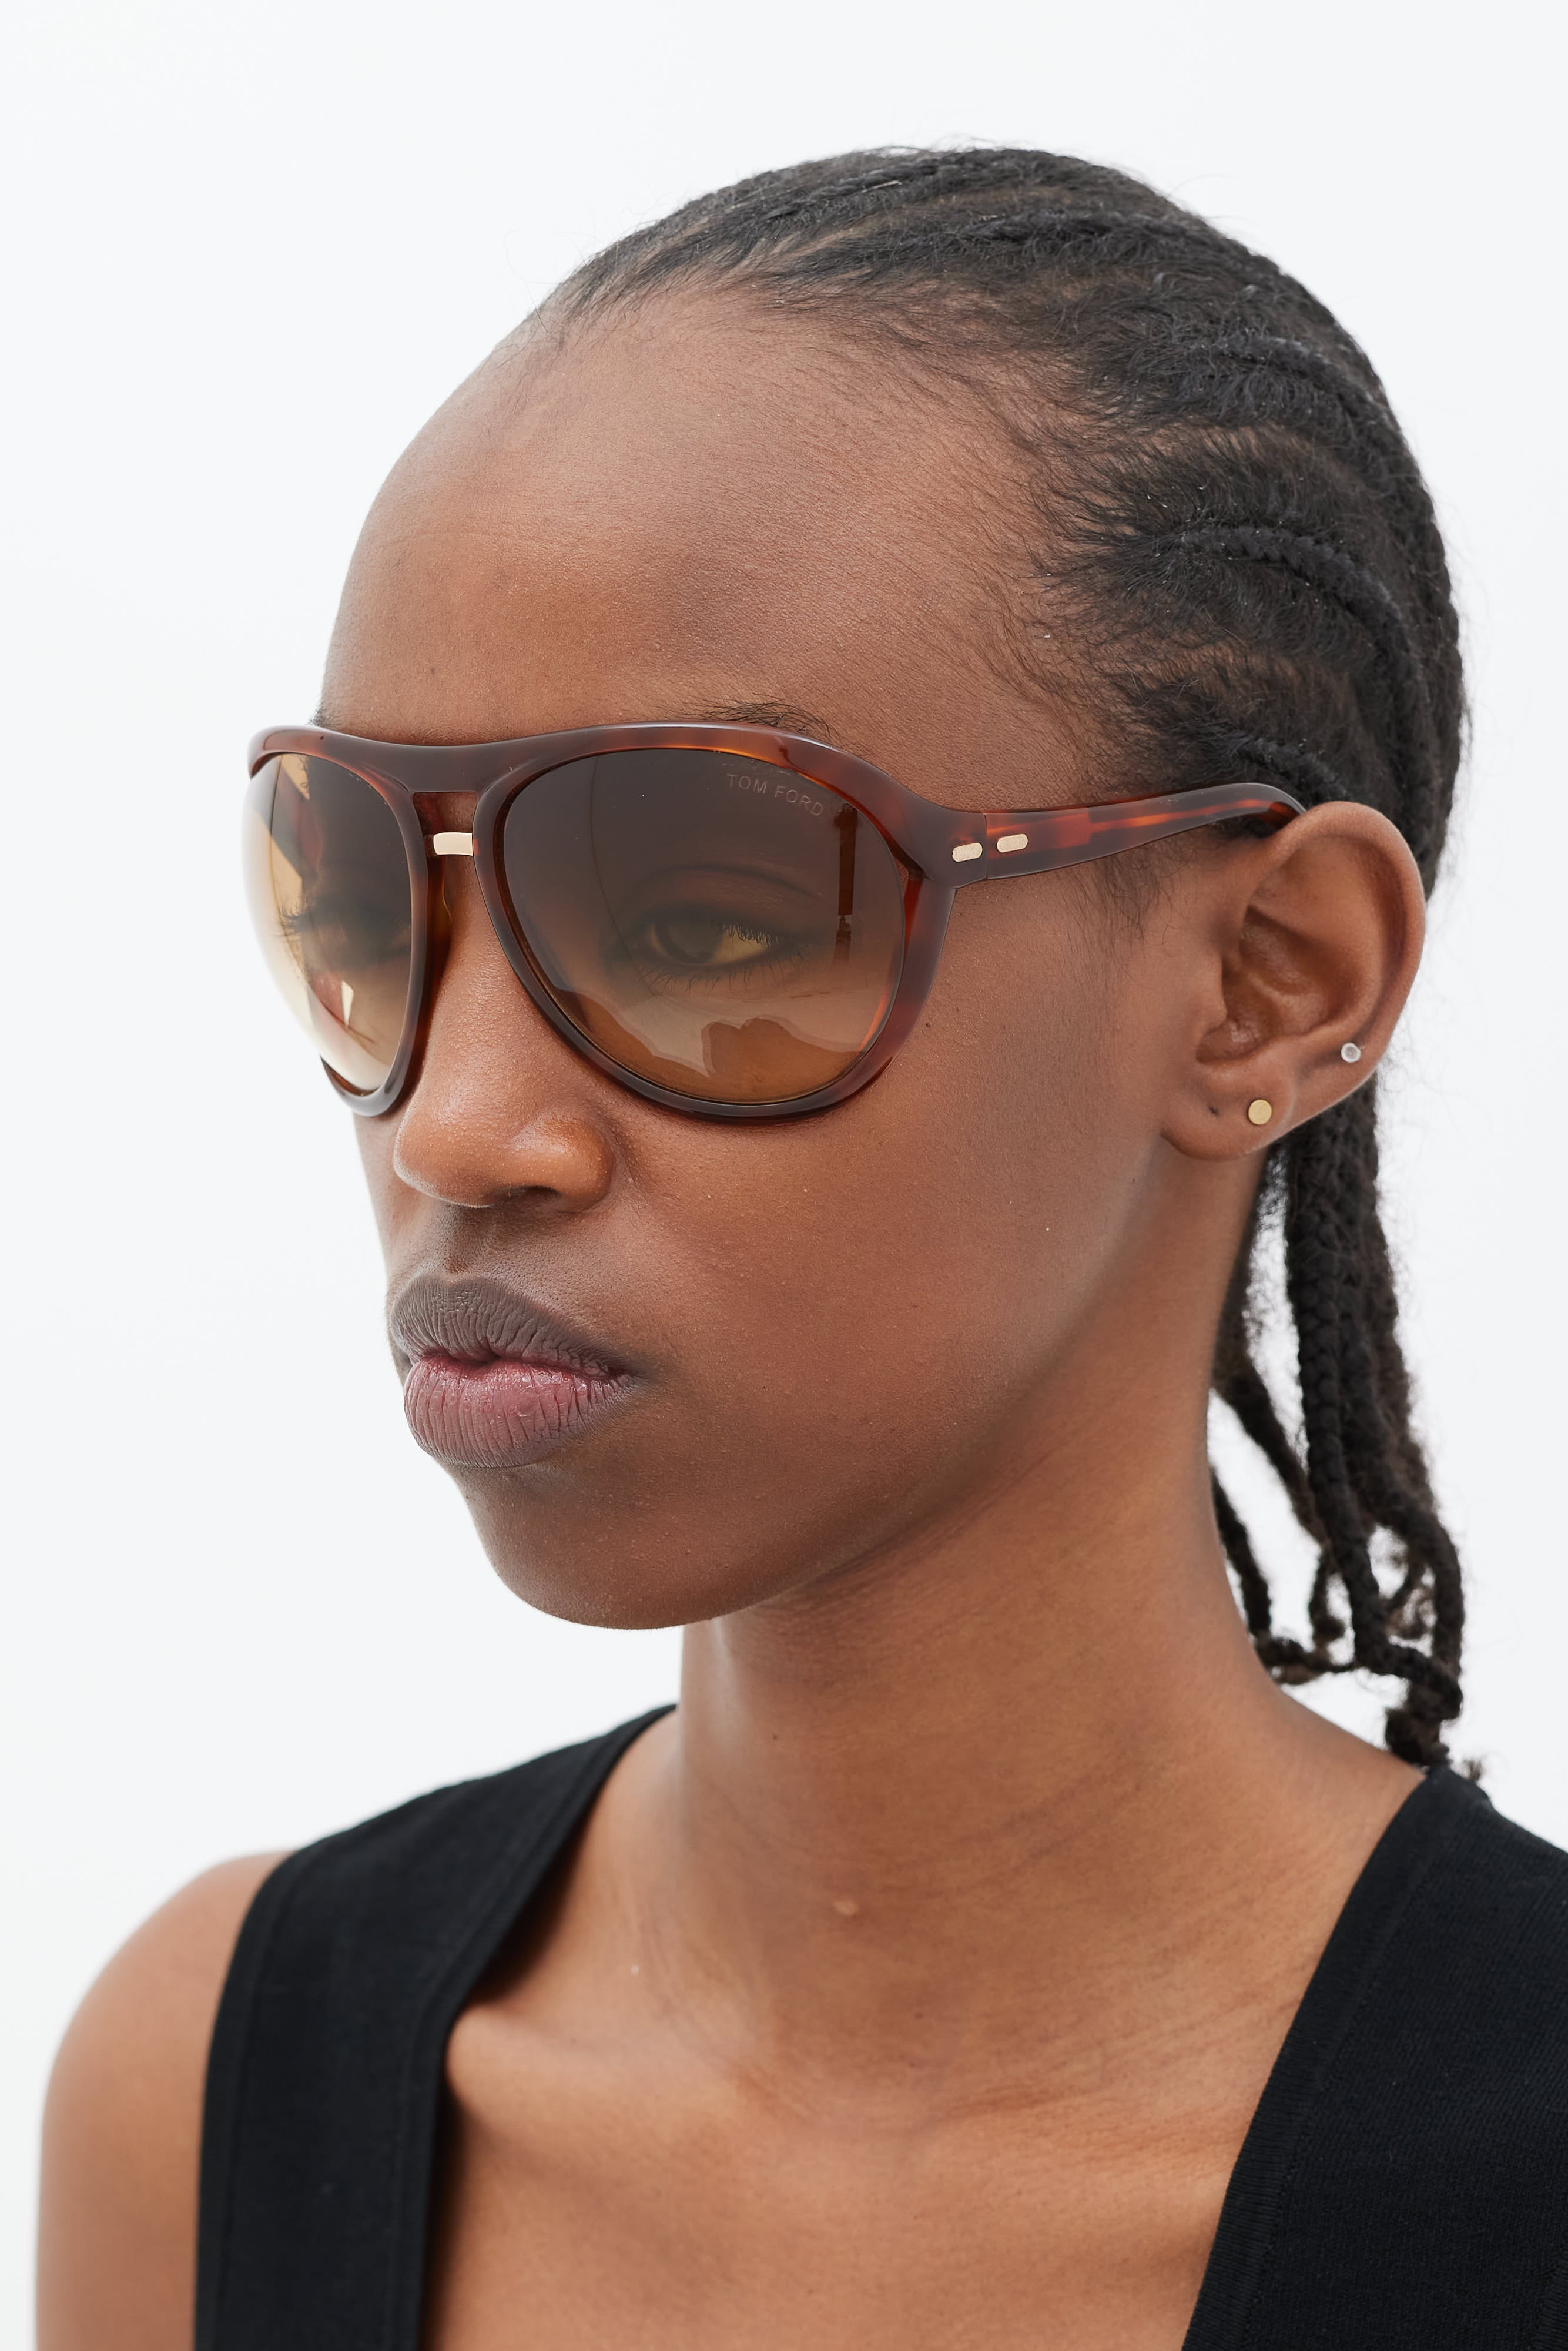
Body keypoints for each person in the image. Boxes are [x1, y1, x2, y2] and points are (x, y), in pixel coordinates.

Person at [36, 148, 1568, 2351]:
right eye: (362, 898)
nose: (454, 1123)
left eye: (708, 914)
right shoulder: (213, 2092)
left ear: (1266, 981)